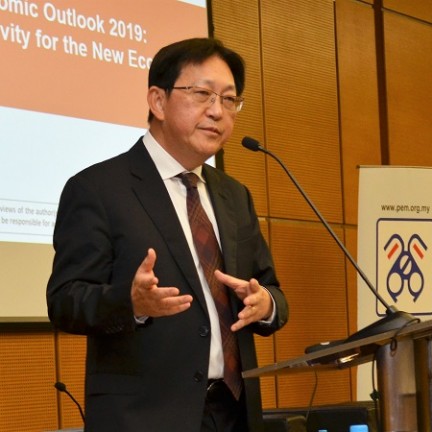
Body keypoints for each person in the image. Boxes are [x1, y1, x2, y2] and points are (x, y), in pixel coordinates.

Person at [47, 38, 288, 432]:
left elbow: (272, 290)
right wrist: (131, 302)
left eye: (229, 100)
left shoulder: (234, 196)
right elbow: (65, 301)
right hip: (147, 417)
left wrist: (266, 304)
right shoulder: (98, 188)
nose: (217, 111)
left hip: (235, 414)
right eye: (202, 94)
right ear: (158, 102)